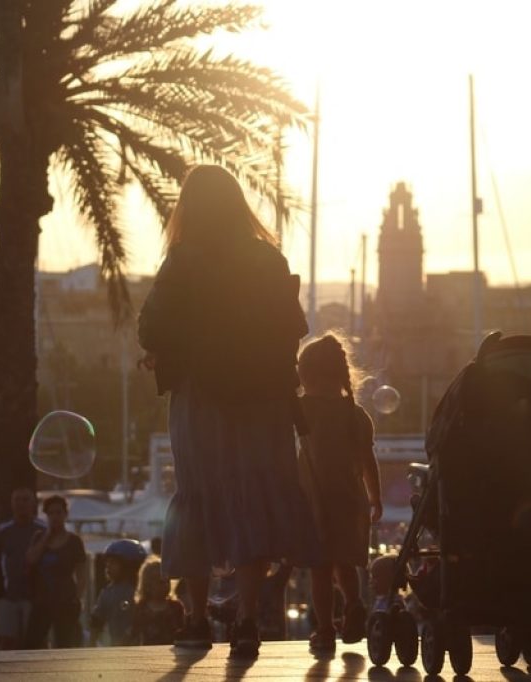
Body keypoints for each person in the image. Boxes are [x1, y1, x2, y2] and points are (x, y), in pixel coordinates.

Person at [137, 164, 320, 658]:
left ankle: (196, 619)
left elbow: (151, 327)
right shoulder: (268, 259)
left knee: (199, 497)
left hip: (202, 400)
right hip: (261, 398)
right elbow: (291, 328)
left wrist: (168, 349)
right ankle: (246, 619)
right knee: (252, 496)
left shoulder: (184, 259)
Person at [295, 334, 383, 654]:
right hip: (350, 500)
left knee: (320, 569)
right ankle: (354, 604)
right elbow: (367, 462)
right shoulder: (356, 414)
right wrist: (375, 498)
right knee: (344, 564)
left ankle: (325, 629)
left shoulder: (303, 409)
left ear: (307, 375)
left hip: (315, 500)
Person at [24, 495, 86, 649]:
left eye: (58, 513)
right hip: (41, 601)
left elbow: (82, 574)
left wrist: (77, 598)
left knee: (65, 644)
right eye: (51, 513)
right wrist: (46, 537)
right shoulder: (39, 537)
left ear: (65, 514)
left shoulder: (74, 542)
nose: (55, 517)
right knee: (32, 643)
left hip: (65, 601)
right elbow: (31, 559)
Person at [0, 488, 45, 649]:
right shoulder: (1, 531)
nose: (21, 504)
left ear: (33, 503)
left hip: (35, 596)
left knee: (36, 639)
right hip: (7, 595)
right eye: (17, 500)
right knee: (7, 640)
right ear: (11, 503)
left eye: (25, 499)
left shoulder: (44, 529)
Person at [89, 539, 145, 646]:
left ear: (130, 565)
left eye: (113, 563)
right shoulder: (107, 592)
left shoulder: (139, 591)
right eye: (107, 563)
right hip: (116, 648)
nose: (108, 567)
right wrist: (91, 643)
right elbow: (97, 620)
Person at [129, 558, 184, 645]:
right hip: (148, 653)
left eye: (167, 581)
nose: (166, 585)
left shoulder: (176, 607)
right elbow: (134, 632)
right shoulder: (141, 608)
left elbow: (182, 630)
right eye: (160, 582)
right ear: (148, 586)